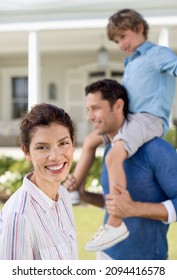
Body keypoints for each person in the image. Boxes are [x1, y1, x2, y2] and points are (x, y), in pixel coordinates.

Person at [82, 8, 177, 252]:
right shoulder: (133, 61)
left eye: (123, 36)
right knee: (90, 141)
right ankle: (74, 190)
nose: (121, 44)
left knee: (115, 155)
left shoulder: (156, 54)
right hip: (131, 121)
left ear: (139, 28)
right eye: (116, 41)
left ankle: (116, 223)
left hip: (147, 119)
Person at [65, 79, 177, 259]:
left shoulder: (156, 149)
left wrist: (134, 208)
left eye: (96, 108)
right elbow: (114, 205)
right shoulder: (111, 149)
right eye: (88, 110)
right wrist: (84, 195)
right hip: (106, 255)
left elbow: (128, 207)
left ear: (118, 105)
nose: (90, 117)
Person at [0, 103, 78, 260]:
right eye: (42, 147)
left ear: (73, 143)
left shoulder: (63, 195)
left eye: (63, 143)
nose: (55, 156)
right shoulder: (19, 217)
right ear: (26, 152)